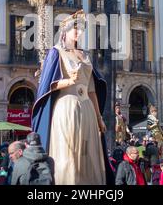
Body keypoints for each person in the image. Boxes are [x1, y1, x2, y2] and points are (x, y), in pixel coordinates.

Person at [32, 10, 114, 185]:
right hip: (66, 107)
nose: (79, 32)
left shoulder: (85, 55)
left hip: (88, 109)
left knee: (89, 153)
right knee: (69, 154)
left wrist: (99, 118)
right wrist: (70, 80)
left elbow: (91, 90)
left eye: (81, 29)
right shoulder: (56, 52)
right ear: (65, 31)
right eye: (75, 28)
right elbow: (48, 86)